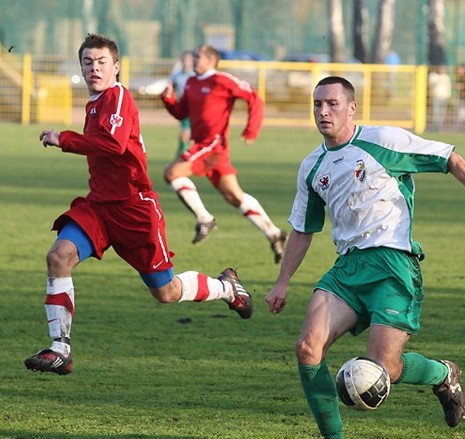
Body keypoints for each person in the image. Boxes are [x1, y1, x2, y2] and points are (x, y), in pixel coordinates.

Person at [265, 76, 465, 439]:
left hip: (393, 266)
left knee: (386, 367)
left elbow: (449, 159)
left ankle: (444, 374)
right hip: (347, 270)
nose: (323, 111)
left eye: (331, 103)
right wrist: (282, 282)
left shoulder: (384, 142)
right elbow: (302, 229)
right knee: (307, 348)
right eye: (317, 105)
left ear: (351, 107)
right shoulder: (313, 166)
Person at [24, 34, 253, 376]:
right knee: (59, 256)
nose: (94, 68)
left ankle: (226, 287)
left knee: (166, 291)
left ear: (116, 67)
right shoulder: (96, 102)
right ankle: (60, 349)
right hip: (99, 207)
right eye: (88, 62)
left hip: (134, 209)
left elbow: (114, 145)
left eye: (102, 62)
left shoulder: (117, 96)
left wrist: (64, 138)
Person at [161, 44, 287, 262]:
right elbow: (182, 113)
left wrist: (251, 129)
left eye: (197, 56)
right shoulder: (191, 82)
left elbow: (254, 97)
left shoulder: (221, 80)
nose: (193, 59)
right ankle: (274, 233)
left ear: (211, 60)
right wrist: (169, 100)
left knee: (172, 173)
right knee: (234, 196)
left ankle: (204, 218)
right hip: (204, 145)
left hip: (213, 145)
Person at [168, 50, 195, 156]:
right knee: (185, 130)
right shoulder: (176, 75)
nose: (186, 62)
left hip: (194, 106)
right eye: (184, 59)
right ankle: (184, 154)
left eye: (188, 60)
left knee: (190, 133)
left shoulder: (194, 75)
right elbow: (170, 88)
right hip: (183, 106)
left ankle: (182, 153)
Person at [427, 65, 451, 131]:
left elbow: (448, 87)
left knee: (442, 113)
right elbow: (431, 84)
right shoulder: (434, 76)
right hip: (436, 96)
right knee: (436, 112)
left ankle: (439, 126)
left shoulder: (446, 77)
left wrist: (448, 96)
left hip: (444, 97)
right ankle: (435, 126)